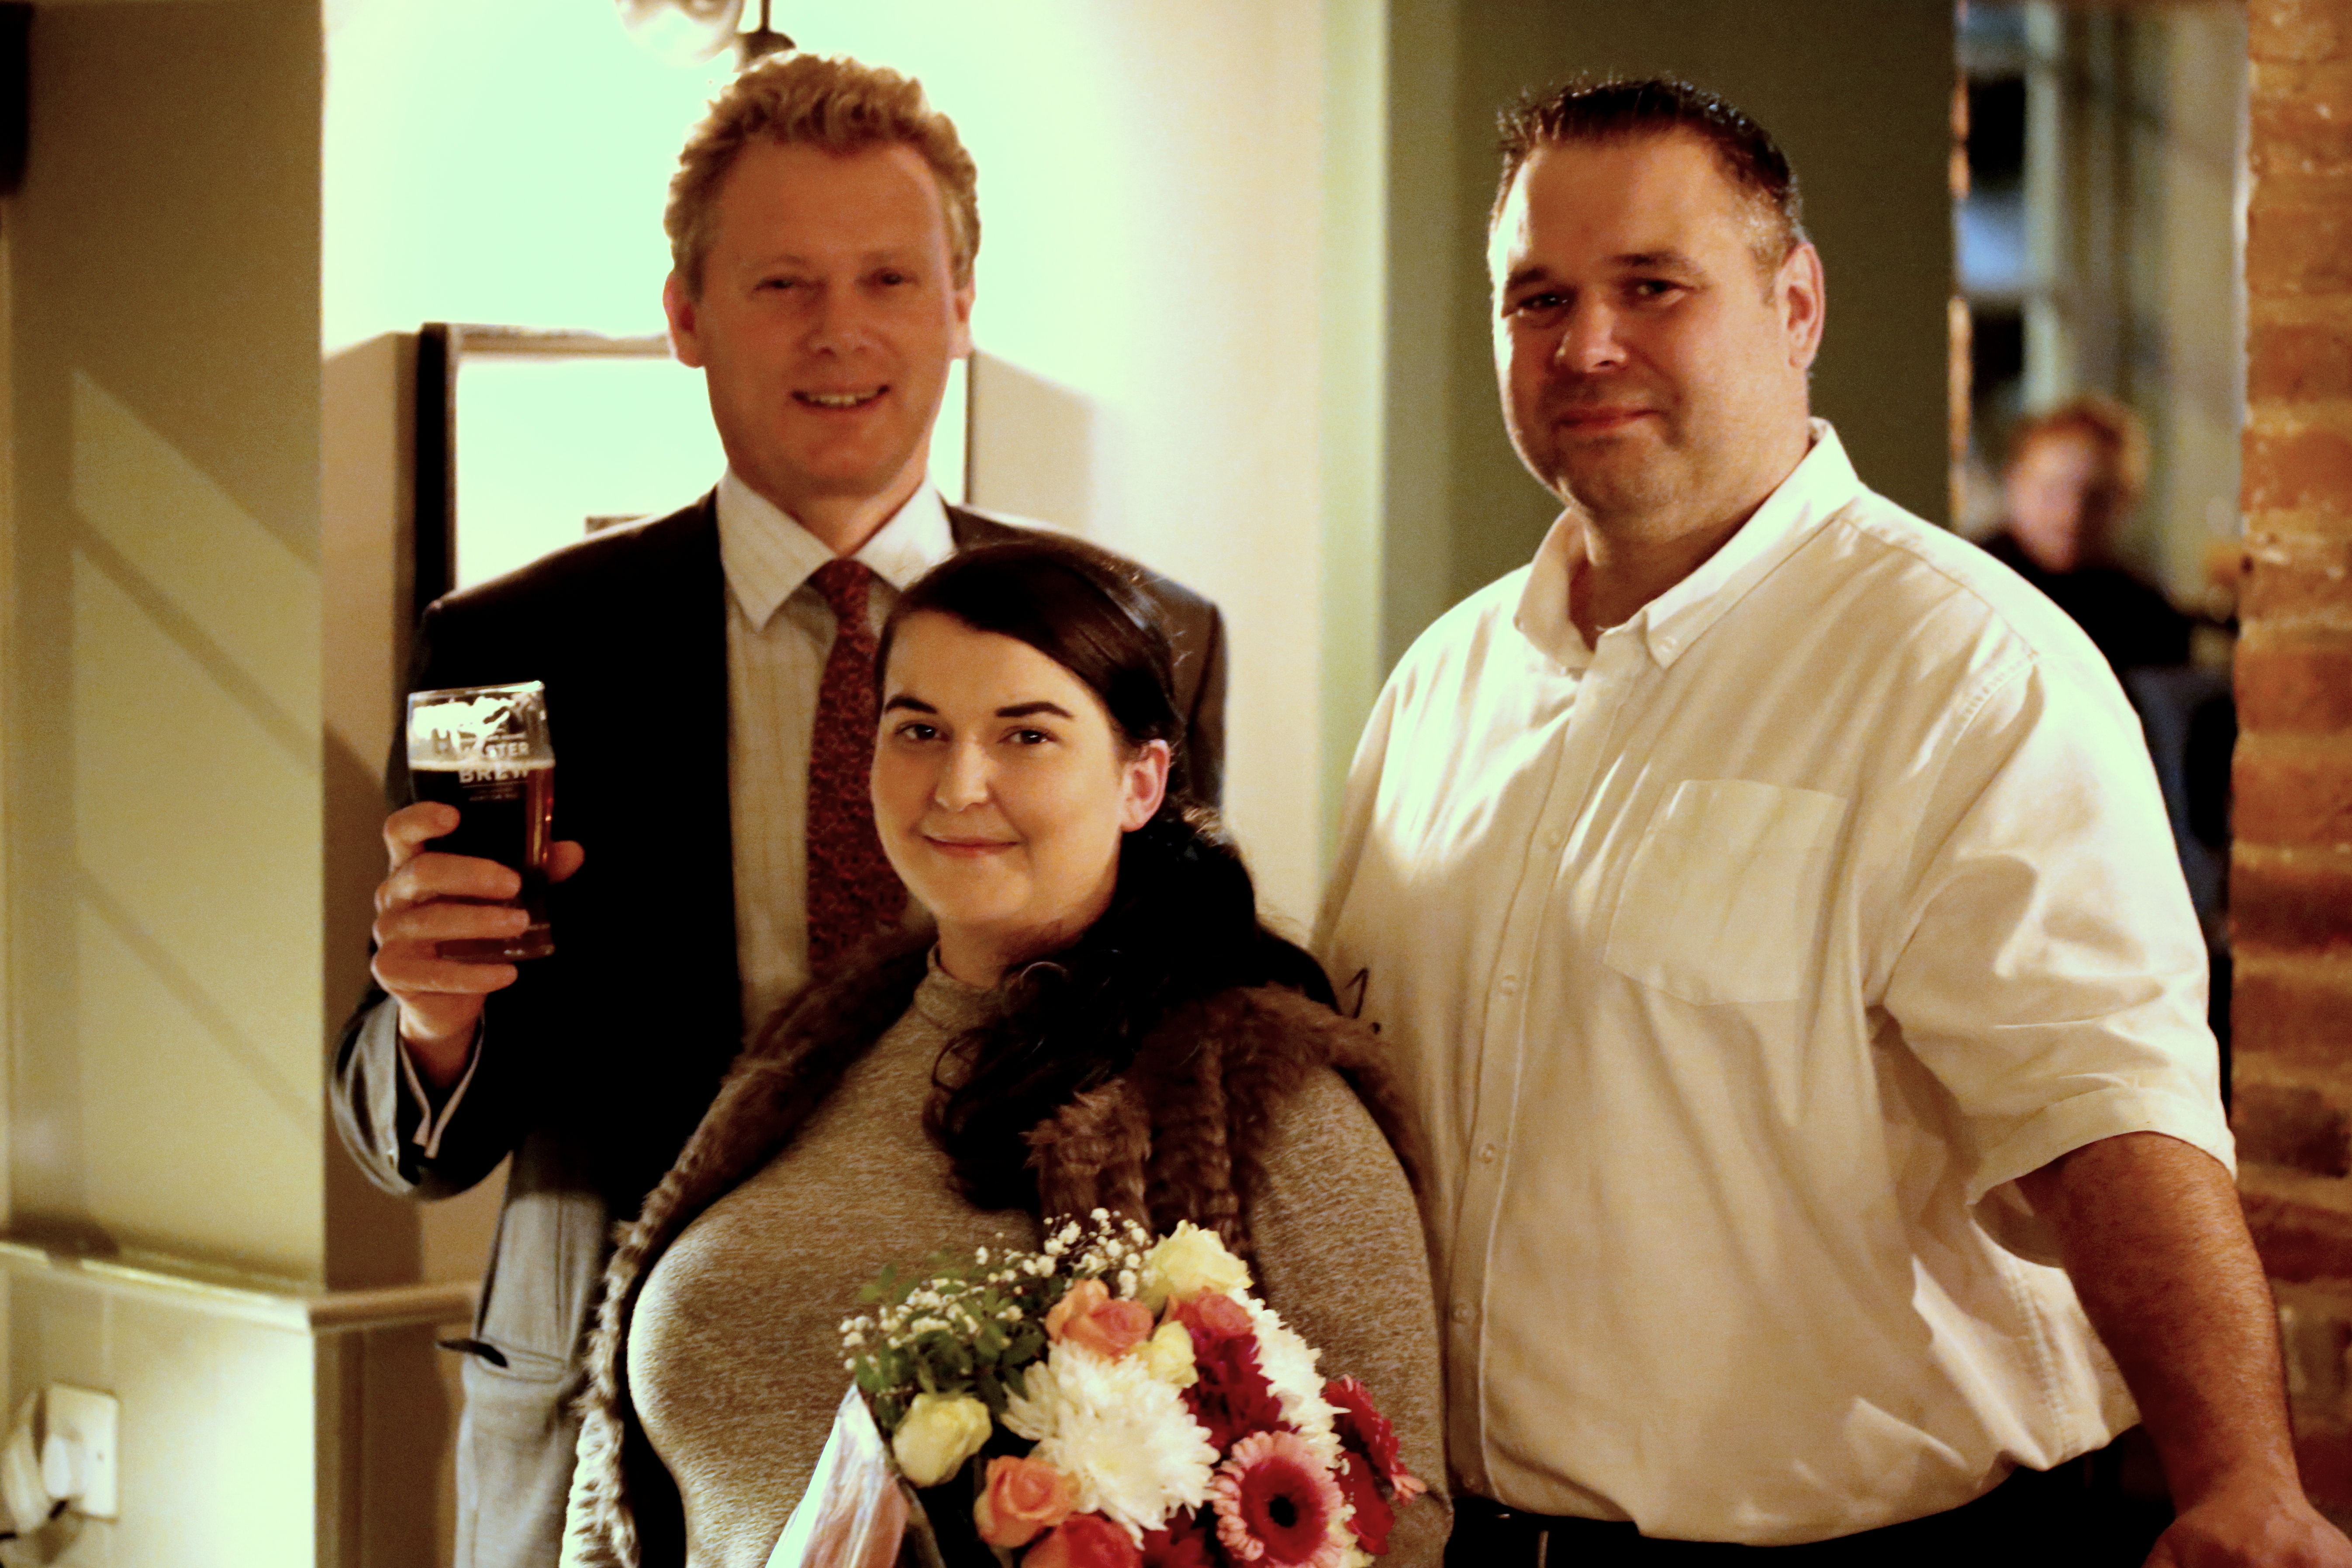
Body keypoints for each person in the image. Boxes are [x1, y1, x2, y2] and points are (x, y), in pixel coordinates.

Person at [1315, 76, 2348, 1565]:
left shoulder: (1971, 675)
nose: (1583, 344)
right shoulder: (1439, 685)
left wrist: (2238, 1476)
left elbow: (2105, 1112)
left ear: (1793, 303)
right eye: (1534, 298)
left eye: (1649, 287)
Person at [330, 55, 1227, 1568]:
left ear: (959, 307)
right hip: (611, 1444)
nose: (840, 331)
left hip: (1018, 1445)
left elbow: (1181, 1040)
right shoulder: (510, 648)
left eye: (889, 276)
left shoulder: (1143, 642)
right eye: (780, 282)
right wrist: (428, 1023)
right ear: (685, 317)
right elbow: (420, 1144)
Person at [559, 539, 1448, 1568]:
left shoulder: (1255, 1093)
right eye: (919, 729)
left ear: (1141, 780)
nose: (959, 783)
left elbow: (1401, 1516)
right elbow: (623, 1492)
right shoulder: (816, 1048)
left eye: (1026, 735)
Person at [1978, 394, 2194, 676]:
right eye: (2051, 492)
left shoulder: (2149, 617)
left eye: (2097, 499)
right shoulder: (1973, 588)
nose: (2071, 515)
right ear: (2013, 483)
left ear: (2128, 501)